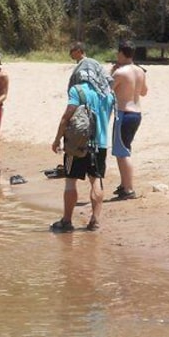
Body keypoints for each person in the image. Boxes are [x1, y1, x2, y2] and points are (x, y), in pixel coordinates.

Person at [50, 55, 116, 232]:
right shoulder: (108, 94)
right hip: (100, 145)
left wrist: (57, 139)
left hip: (76, 145)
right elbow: (107, 119)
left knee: (71, 181)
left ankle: (67, 221)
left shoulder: (77, 91)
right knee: (96, 180)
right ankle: (95, 220)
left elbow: (67, 116)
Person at [111, 40, 148, 200]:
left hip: (124, 113)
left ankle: (128, 188)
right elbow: (144, 92)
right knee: (124, 149)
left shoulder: (120, 73)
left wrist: (111, 71)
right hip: (136, 114)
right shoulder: (140, 71)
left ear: (121, 53)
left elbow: (106, 89)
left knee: (122, 152)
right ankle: (124, 184)